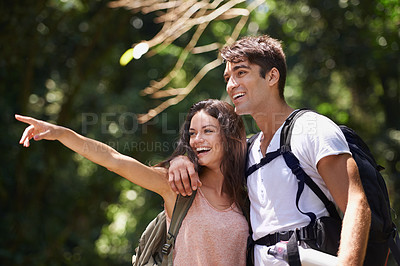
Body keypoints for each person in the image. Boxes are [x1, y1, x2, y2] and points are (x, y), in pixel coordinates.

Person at [167, 35, 371, 265]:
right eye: (228, 77)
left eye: (241, 73)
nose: (231, 84)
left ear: (272, 76)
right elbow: (210, 161)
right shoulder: (250, 149)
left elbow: (356, 202)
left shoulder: (311, 129)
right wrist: (182, 160)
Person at [16, 99, 249, 265]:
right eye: (192, 133)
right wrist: (61, 133)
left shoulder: (248, 190)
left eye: (207, 131)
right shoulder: (178, 186)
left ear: (229, 136)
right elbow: (114, 160)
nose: (197, 140)